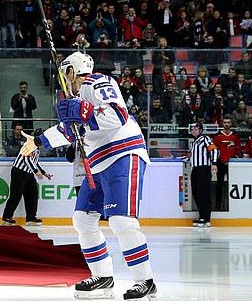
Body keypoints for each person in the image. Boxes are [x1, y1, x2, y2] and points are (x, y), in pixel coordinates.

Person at [20, 53, 156, 300]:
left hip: (123, 154)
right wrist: (38, 141)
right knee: (82, 220)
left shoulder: (97, 83)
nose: (63, 78)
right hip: (98, 163)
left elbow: (117, 117)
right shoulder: (76, 98)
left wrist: (85, 112)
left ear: (73, 70)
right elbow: (69, 131)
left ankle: (145, 281)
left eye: (65, 72)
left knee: (121, 221)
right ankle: (103, 276)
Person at [2, 140, 52, 226]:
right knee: (16, 195)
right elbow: (27, 159)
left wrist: (44, 172)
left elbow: (34, 162)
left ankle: (31, 217)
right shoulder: (29, 145)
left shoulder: (37, 149)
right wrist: (36, 172)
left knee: (33, 194)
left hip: (28, 173)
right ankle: (6, 217)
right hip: (19, 172)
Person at [187, 123, 219, 227]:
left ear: (201, 130)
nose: (194, 130)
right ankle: (202, 215)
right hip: (195, 169)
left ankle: (206, 218)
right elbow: (192, 156)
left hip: (204, 169)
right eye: (192, 129)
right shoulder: (194, 143)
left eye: (196, 129)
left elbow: (214, 150)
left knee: (203, 193)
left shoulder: (205, 139)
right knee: (196, 192)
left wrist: (214, 164)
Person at [212, 117, 242, 210]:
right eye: (225, 122)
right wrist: (215, 161)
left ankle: (234, 204)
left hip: (233, 163)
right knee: (219, 184)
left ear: (231, 124)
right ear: (222, 124)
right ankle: (218, 204)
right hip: (220, 163)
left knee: (233, 184)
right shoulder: (217, 136)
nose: (227, 124)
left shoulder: (235, 137)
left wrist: (236, 158)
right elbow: (212, 149)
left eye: (228, 122)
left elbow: (238, 149)